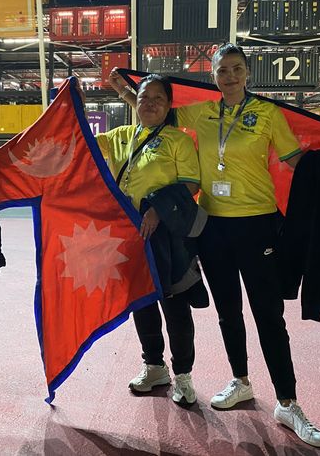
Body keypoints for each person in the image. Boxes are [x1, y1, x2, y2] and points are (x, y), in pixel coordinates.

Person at [110, 43, 320, 448]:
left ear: (247, 74)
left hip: (258, 225)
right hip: (213, 228)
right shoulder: (202, 111)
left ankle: (287, 401)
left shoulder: (267, 114)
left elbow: (298, 162)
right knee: (229, 311)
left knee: (267, 314)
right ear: (213, 75)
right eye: (222, 70)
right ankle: (240, 381)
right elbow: (155, 114)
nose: (229, 76)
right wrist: (127, 93)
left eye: (236, 69)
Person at [82, 74, 203, 406]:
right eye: (145, 98)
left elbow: (191, 185)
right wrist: (71, 102)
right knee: (143, 304)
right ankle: (154, 366)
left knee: (176, 308)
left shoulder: (179, 140)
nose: (150, 104)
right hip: (132, 239)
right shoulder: (120, 136)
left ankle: (183, 376)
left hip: (169, 238)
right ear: (136, 101)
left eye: (158, 99)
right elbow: (81, 142)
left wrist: (158, 210)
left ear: (169, 105)